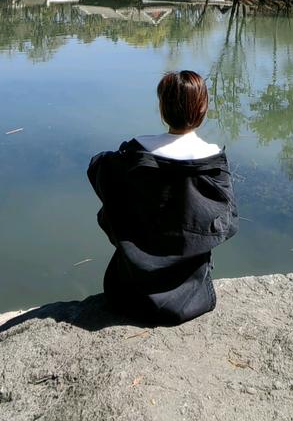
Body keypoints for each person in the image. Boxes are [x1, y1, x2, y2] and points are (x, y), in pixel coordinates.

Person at [87, 70, 238, 324]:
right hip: (190, 299)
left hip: (126, 293)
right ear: (203, 108)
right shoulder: (212, 162)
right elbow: (229, 223)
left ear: (162, 108)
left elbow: (97, 167)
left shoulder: (134, 154)